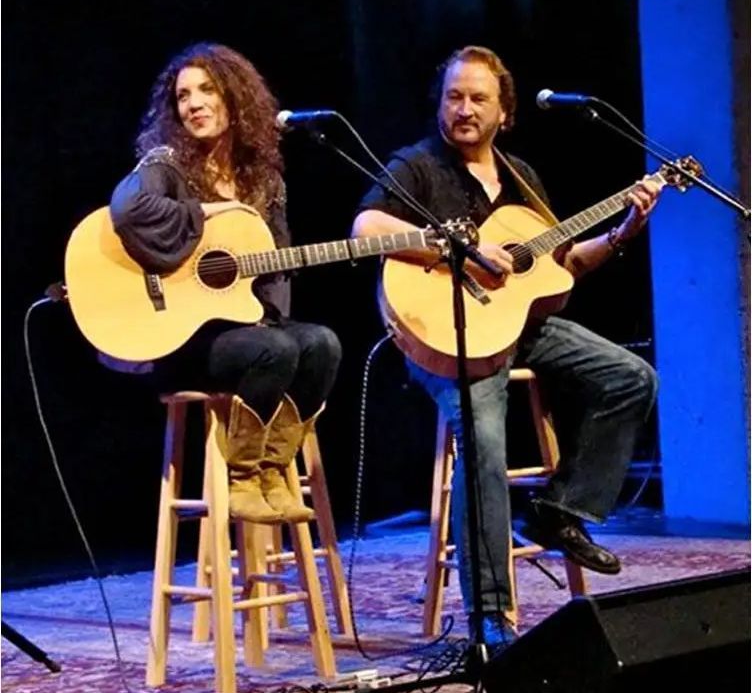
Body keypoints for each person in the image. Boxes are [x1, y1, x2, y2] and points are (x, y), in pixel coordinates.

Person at [352, 45, 660, 648]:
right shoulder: (418, 165)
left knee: (631, 377)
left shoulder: (521, 179)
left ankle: (560, 510)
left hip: (519, 328)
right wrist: (462, 252)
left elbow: (564, 265)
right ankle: (492, 617)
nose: (464, 109)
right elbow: (367, 228)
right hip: (447, 334)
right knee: (486, 442)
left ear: (504, 112)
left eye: (478, 99)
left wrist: (624, 231)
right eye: (454, 97)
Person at [108, 42, 342, 524]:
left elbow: (275, 264)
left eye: (206, 91)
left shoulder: (263, 179)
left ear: (234, 97)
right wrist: (206, 212)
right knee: (274, 350)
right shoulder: (167, 162)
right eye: (183, 96)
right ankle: (242, 479)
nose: (193, 104)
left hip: (245, 330)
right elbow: (128, 210)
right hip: (181, 338)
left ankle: (272, 471)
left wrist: (270, 315)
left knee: (322, 344)